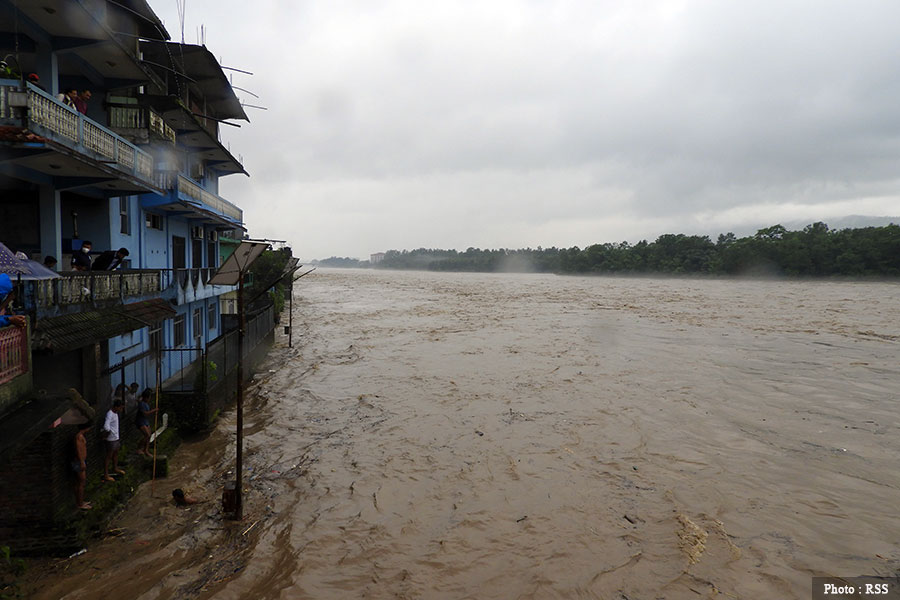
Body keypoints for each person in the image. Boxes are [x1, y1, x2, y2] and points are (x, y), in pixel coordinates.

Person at [101, 399, 125, 482]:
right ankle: (106, 474)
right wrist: (109, 433)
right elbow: (106, 426)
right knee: (109, 456)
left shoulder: (115, 413)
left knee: (115, 454)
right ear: (116, 407)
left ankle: (115, 467)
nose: (121, 410)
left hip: (116, 438)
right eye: (120, 408)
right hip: (111, 439)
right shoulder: (110, 414)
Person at [72, 421, 92, 510]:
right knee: (81, 482)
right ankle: (80, 504)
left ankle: (80, 501)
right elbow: (79, 450)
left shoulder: (79, 436)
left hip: (79, 461)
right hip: (79, 462)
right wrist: (82, 461)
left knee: (79, 482)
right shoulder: (79, 437)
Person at [135, 388, 158, 457]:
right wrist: (154, 410)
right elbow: (145, 413)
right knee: (147, 435)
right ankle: (139, 448)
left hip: (145, 421)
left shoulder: (146, 404)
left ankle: (146, 450)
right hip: (140, 421)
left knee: (149, 435)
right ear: (146, 398)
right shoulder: (141, 404)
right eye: (149, 398)